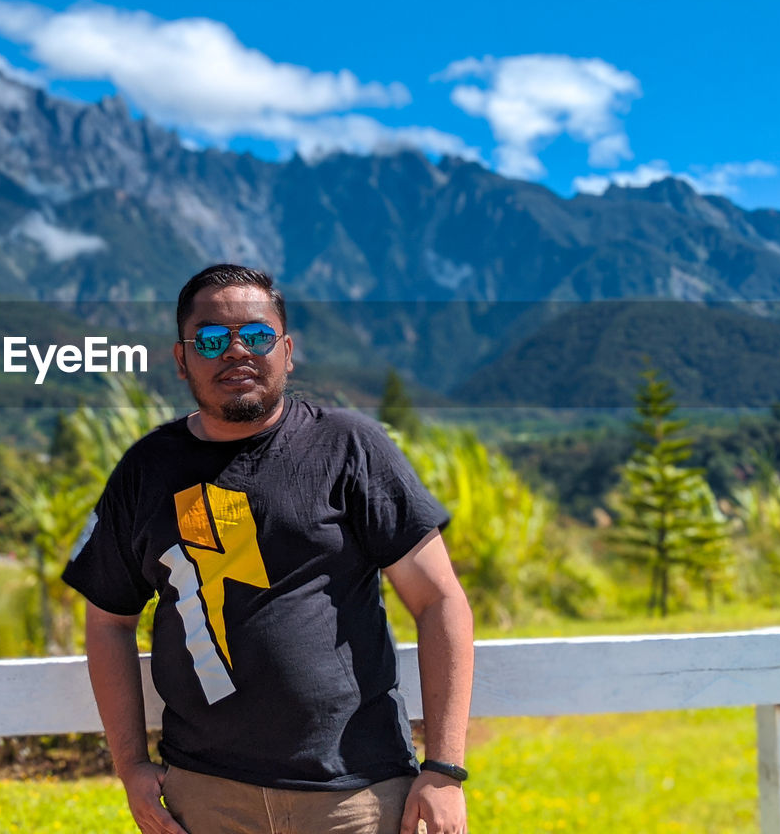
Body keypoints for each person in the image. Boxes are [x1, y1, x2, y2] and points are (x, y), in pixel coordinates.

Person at [62, 264, 473, 834]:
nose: (235, 351)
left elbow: (440, 601)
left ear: (286, 350)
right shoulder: (146, 470)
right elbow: (108, 621)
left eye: (255, 336)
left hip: (354, 795)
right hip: (203, 798)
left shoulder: (350, 447)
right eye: (210, 339)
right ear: (182, 359)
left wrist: (445, 770)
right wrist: (130, 765)